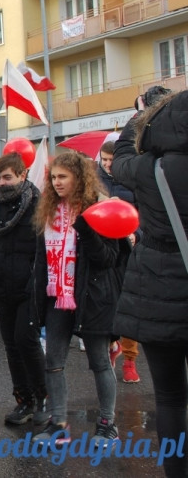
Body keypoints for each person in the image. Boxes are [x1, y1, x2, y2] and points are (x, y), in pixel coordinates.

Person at [112, 90, 188, 477]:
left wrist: (140, 116)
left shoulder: (148, 168)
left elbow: (120, 158)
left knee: (171, 398)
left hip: (158, 295)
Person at [31, 152, 122, 448]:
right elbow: (41, 259)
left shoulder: (99, 209)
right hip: (57, 296)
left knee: (99, 362)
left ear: (79, 178)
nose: (56, 183)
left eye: (63, 177)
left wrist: (86, 229)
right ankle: (59, 424)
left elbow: (108, 258)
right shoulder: (48, 211)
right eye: (53, 177)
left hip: (92, 297)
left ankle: (107, 424)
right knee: (53, 362)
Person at [0, 153, 47, 426]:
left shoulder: (38, 205)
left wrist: (35, 282)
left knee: (26, 342)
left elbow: (43, 249)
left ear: (23, 175)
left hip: (30, 287)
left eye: (9, 177)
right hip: (2, 284)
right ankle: (24, 399)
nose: (3, 183)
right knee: (11, 346)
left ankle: (43, 396)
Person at [97, 140, 141, 384]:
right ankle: (113, 345)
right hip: (103, 250)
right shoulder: (95, 180)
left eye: (111, 160)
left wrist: (138, 234)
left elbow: (145, 214)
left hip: (129, 250)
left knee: (129, 307)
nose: (107, 164)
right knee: (107, 304)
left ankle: (131, 360)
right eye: (103, 160)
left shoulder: (133, 180)